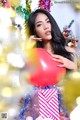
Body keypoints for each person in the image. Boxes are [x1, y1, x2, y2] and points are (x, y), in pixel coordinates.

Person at [16, 9, 77, 120]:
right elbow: (23, 84)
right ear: (35, 31)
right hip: (40, 114)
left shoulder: (69, 52)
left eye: (48, 21)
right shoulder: (34, 56)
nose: (46, 26)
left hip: (68, 112)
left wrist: (72, 65)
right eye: (40, 24)